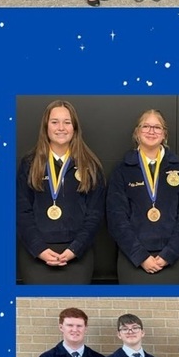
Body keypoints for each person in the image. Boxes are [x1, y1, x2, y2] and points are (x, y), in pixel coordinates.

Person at [16, 99, 105, 284]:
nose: (61, 128)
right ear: (46, 127)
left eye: (67, 122)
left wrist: (76, 249)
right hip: (37, 255)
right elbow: (22, 211)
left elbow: (95, 214)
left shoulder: (90, 165)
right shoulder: (29, 164)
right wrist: (38, 248)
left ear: (75, 128)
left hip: (77, 255)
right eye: (55, 122)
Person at [106, 108, 179, 284]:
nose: (151, 131)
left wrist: (168, 254)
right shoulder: (122, 170)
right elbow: (117, 218)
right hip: (133, 260)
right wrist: (140, 256)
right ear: (137, 133)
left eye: (157, 127)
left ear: (164, 134)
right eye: (146, 126)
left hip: (173, 261)